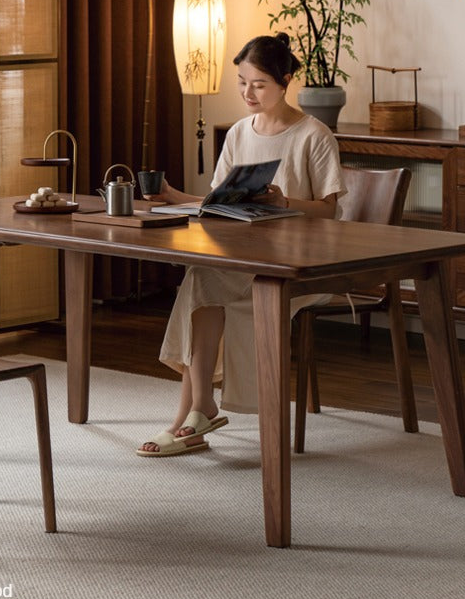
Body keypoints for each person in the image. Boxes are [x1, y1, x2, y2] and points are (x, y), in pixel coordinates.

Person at [137, 32, 346, 457]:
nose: (247, 93)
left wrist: (284, 201)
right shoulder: (237, 133)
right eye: (241, 82)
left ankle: (191, 418)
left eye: (259, 84)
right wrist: (174, 196)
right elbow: (219, 201)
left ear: (286, 80)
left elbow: (329, 212)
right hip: (246, 256)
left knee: (201, 283)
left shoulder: (314, 135)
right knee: (202, 279)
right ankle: (196, 414)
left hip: (299, 263)